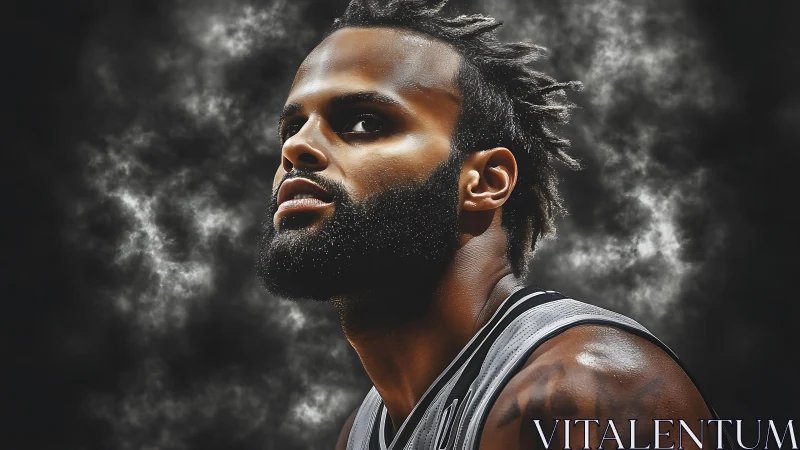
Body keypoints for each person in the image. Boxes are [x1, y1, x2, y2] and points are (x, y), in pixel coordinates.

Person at [256, 1, 725, 449]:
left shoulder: (589, 395)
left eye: (362, 122)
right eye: (291, 127)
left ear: (483, 181)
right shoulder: (364, 430)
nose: (298, 148)